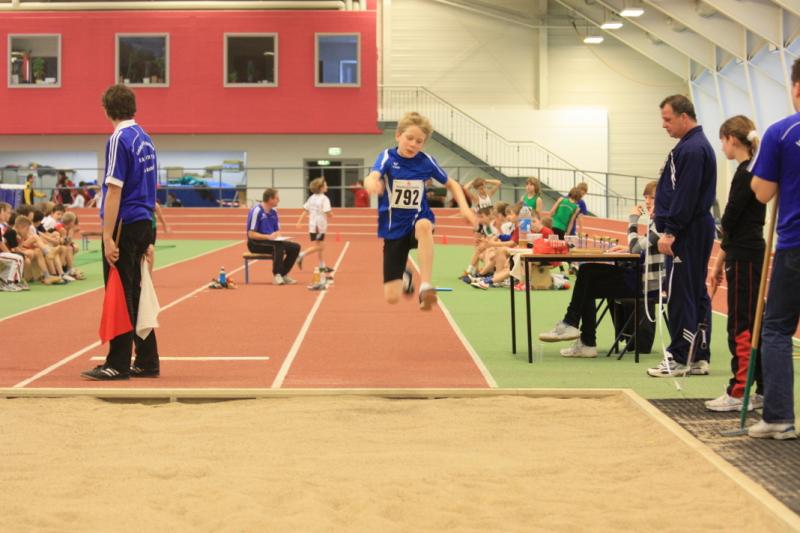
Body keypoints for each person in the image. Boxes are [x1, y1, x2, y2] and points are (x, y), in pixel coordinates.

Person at [81, 84, 160, 381]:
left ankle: (118, 363)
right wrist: (150, 236)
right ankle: (147, 360)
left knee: (119, 292)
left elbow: (114, 190)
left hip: (124, 224)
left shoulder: (118, 139)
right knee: (137, 291)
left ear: (107, 110)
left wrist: (106, 236)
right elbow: (151, 188)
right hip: (142, 222)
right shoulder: (146, 138)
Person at [364, 111, 476, 310]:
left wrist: (466, 209)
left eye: (419, 141)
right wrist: (371, 183)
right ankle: (405, 274)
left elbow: (452, 184)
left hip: (418, 219)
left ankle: (425, 285)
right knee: (392, 297)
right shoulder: (387, 157)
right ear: (398, 135)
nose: (413, 144)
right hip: (393, 228)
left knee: (424, 225)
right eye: (409, 138)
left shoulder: (426, 161)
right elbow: (372, 176)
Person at [539, 181, 663, 357]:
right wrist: (626, 249)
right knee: (587, 274)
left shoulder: (662, 222)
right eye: (646, 197)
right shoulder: (656, 221)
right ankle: (584, 340)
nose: (648, 201)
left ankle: (577, 332)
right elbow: (643, 249)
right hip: (640, 277)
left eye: (653, 198)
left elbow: (636, 247)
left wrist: (633, 220)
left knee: (587, 275)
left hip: (645, 285)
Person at [746, 58, 800, 440]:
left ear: (796, 88)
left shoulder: (782, 132)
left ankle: (779, 416)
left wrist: (762, 178)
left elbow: (763, 192)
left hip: (795, 246)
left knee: (777, 328)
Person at [647, 94, 716, 378]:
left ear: (684, 117)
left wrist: (671, 230)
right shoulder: (693, 147)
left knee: (680, 293)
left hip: (686, 232)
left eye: (667, 119)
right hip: (693, 228)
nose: (664, 125)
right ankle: (697, 355)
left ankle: (679, 356)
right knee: (695, 292)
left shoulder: (691, 150)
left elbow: (685, 194)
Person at [705, 116, 765, 412]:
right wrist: (718, 264)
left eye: (722, 141)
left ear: (731, 138)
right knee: (754, 322)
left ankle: (739, 390)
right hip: (746, 253)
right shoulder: (754, 170)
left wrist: (722, 246)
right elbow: (734, 226)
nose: (722, 147)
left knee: (741, 324)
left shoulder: (745, 174)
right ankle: (763, 389)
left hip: (744, 257)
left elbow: (729, 221)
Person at [246, 188, 300, 285]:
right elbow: (251, 234)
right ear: (270, 199)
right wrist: (268, 237)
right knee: (278, 246)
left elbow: (277, 231)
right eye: (277, 198)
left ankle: (283, 274)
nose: (279, 200)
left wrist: (279, 236)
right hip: (255, 243)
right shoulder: (256, 211)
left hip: (271, 241)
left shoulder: (274, 211)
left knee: (295, 247)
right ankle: (277, 275)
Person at [296, 177, 333, 274]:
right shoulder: (324, 198)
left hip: (313, 225)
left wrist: (299, 221)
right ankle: (301, 255)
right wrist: (331, 214)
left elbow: (305, 210)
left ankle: (322, 266)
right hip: (319, 226)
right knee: (321, 247)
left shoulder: (311, 198)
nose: (327, 186)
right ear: (321, 188)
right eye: (325, 185)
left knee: (319, 245)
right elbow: (327, 211)